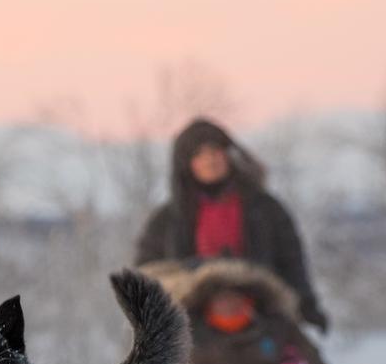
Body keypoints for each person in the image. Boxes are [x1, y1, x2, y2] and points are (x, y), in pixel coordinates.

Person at [135, 117, 329, 334]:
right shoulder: (167, 220)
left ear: (229, 155)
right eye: (198, 154)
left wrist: (306, 305)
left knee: (304, 362)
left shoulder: (265, 209)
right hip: (193, 323)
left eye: (215, 151)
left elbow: (292, 261)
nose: (210, 160)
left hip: (261, 313)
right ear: (186, 164)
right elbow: (147, 275)